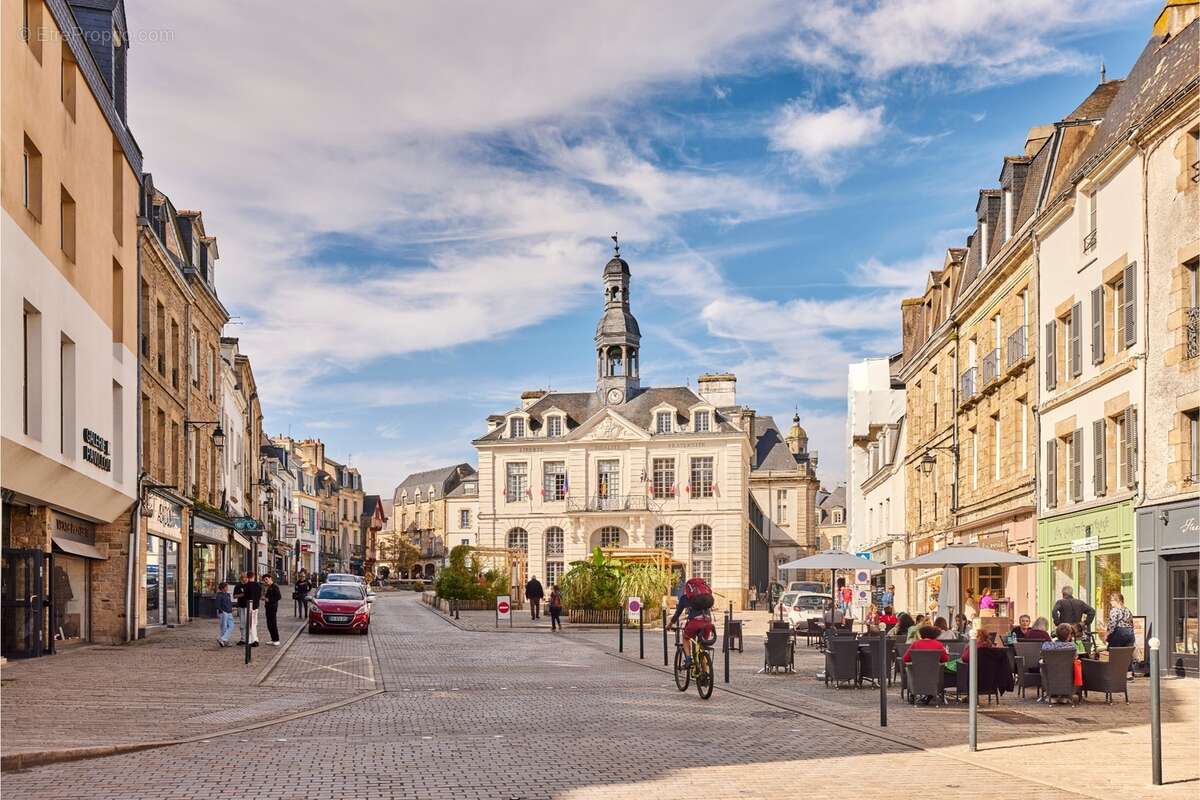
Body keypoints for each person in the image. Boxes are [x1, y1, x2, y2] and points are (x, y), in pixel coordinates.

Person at [669, 578, 716, 668]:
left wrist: (670, 624)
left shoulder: (685, 598)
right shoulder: (706, 597)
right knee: (701, 647)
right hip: (707, 624)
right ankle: (704, 674)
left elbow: (677, 614)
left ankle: (688, 660)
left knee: (686, 638)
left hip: (694, 624)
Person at [235, 572, 262, 647]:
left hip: (249, 606)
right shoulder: (258, 585)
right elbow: (259, 595)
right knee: (253, 623)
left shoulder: (247, 586)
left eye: (245, 577)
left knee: (250, 624)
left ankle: (252, 640)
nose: (244, 579)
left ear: (247, 577)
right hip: (255, 606)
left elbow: (246, 595)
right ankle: (252, 639)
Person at [262, 574, 282, 646]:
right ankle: (273, 639)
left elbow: (279, 597)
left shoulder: (275, 586)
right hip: (268, 607)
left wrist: (269, 599)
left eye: (266, 579)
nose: (265, 581)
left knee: (273, 623)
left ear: (270, 578)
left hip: (273, 607)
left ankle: (276, 639)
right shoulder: (268, 587)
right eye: (264, 580)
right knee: (269, 624)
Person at [216, 582, 234, 647]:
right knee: (224, 627)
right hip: (224, 612)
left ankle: (222, 639)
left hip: (229, 612)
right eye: (226, 587)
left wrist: (231, 609)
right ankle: (225, 641)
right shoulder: (219, 595)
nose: (227, 588)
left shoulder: (228, 595)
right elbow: (217, 605)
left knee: (231, 626)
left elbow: (229, 603)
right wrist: (222, 611)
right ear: (223, 588)